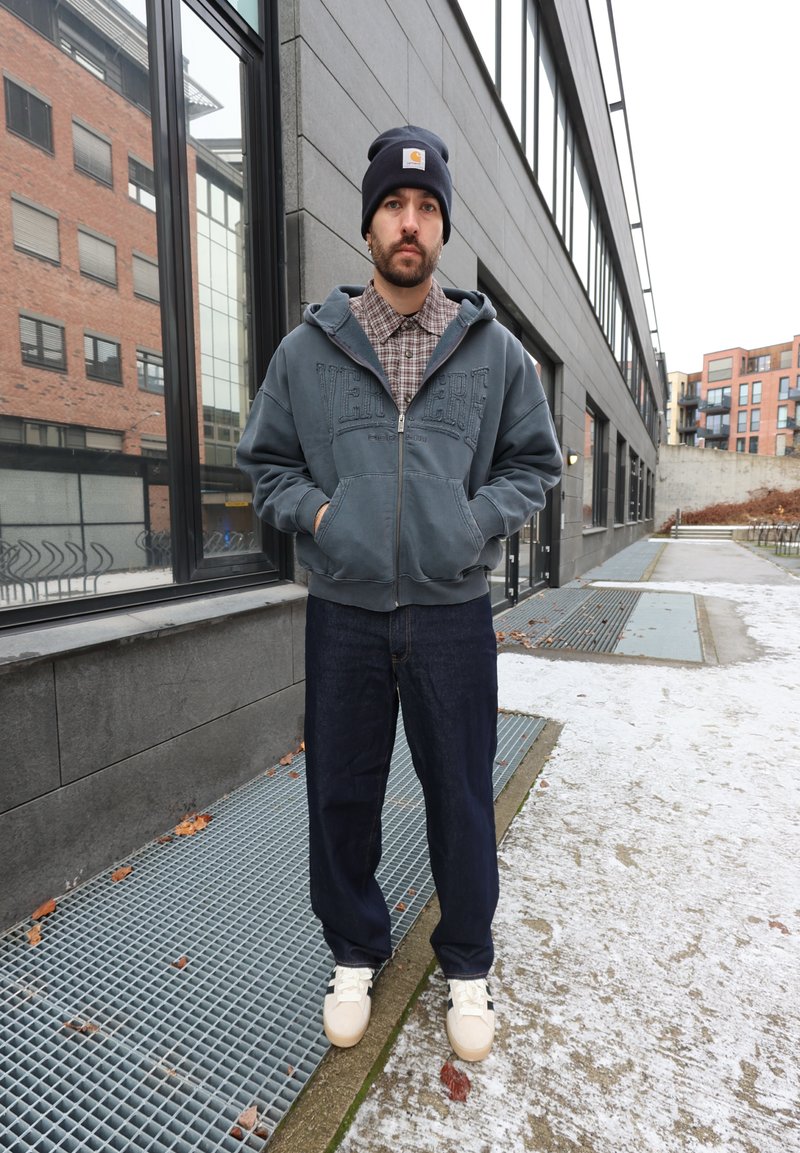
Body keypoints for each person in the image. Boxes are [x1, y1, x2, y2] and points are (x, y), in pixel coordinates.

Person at [237, 125, 562, 1062]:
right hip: (343, 611)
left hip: (453, 611)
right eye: (393, 205)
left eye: (425, 208)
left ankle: (466, 962)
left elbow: (532, 465)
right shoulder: (309, 349)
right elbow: (267, 465)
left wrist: (469, 524)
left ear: (442, 228)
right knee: (342, 791)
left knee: (461, 792)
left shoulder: (494, 352)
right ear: (369, 221)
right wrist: (326, 518)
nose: (409, 223)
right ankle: (353, 951)